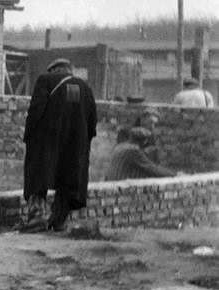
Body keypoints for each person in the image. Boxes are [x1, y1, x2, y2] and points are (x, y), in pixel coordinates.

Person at [20, 57, 98, 232]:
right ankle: (59, 220)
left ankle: (37, 218)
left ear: (54, 70)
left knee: (38, 176)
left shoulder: (45, 80)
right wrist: (84, 143)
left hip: (47, 141)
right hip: (75, 146)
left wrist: (29, 136)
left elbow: (36, 110)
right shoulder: (85, 87)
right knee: (67, 181)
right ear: (69, 69)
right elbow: (93, 121)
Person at [106, 127, 174, 181]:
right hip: (120, 186)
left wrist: (143, 152)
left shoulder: (121, 146)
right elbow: (151, 168)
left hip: (111, 181)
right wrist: (174, 174)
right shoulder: (133, 150)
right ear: (144, 141)